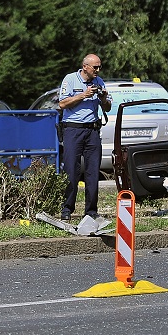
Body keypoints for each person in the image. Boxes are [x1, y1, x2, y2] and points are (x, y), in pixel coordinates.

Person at [57, 53, 112, 221]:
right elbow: (62, 104)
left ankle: (91, 211)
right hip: (73, 130)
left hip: (93, 131)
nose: (98, 70)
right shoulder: (70, 79)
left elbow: (108, 107)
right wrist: (83, 95)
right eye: (95, 67)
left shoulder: (99, 81)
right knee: (71, 171)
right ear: (85, 67)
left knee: (93, 172)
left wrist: (103, 98)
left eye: (99, 67)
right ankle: (67, 209)